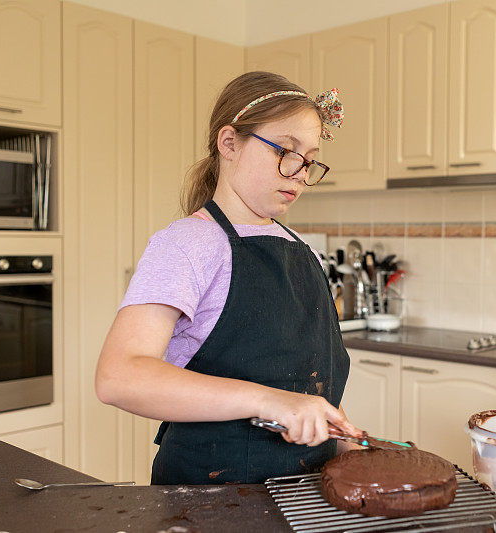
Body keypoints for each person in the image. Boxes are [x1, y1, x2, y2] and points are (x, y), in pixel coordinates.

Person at [95, 71, 361, 485]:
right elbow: (119, 377)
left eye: (309, 160)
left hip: (305, 493)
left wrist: (341, 438)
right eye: (286, 152)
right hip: (210, 495)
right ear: (229, 143)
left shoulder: (301, 250)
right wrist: (273, 402)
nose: (299, 173)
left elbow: (302, 380)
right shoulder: (190, 243)